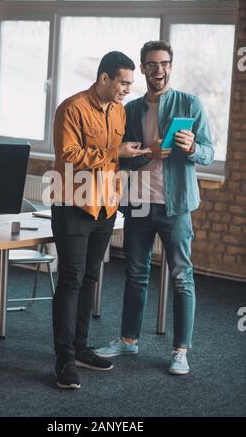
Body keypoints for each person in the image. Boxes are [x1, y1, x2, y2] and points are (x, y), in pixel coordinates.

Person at [94, 40, 214, 375]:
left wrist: (191, 147)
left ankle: (180, 351)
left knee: (181, 277)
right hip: (140, 205)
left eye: (163, 63)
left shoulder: (189, 104)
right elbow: (121, 158)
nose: (157, 70)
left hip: (175, 206)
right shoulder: (129, 109)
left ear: (171, 66)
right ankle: (128, 341)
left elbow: (208, 152)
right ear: (143, 69)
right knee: (136, 275)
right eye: (150, 64)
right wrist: (148, 153)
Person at [51, 51, 147, 389]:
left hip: (106, 207)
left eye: (130, 84)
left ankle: (80, 348)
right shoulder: (72, 107)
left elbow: (113, 159)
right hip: (73, 204)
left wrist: (132, 155)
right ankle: (64, 360)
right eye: (123, 82)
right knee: (70, 280)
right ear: (104, 79)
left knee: (91, 279)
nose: (127, 90)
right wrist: (115, 153)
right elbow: (68, 157)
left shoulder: (119, 111)